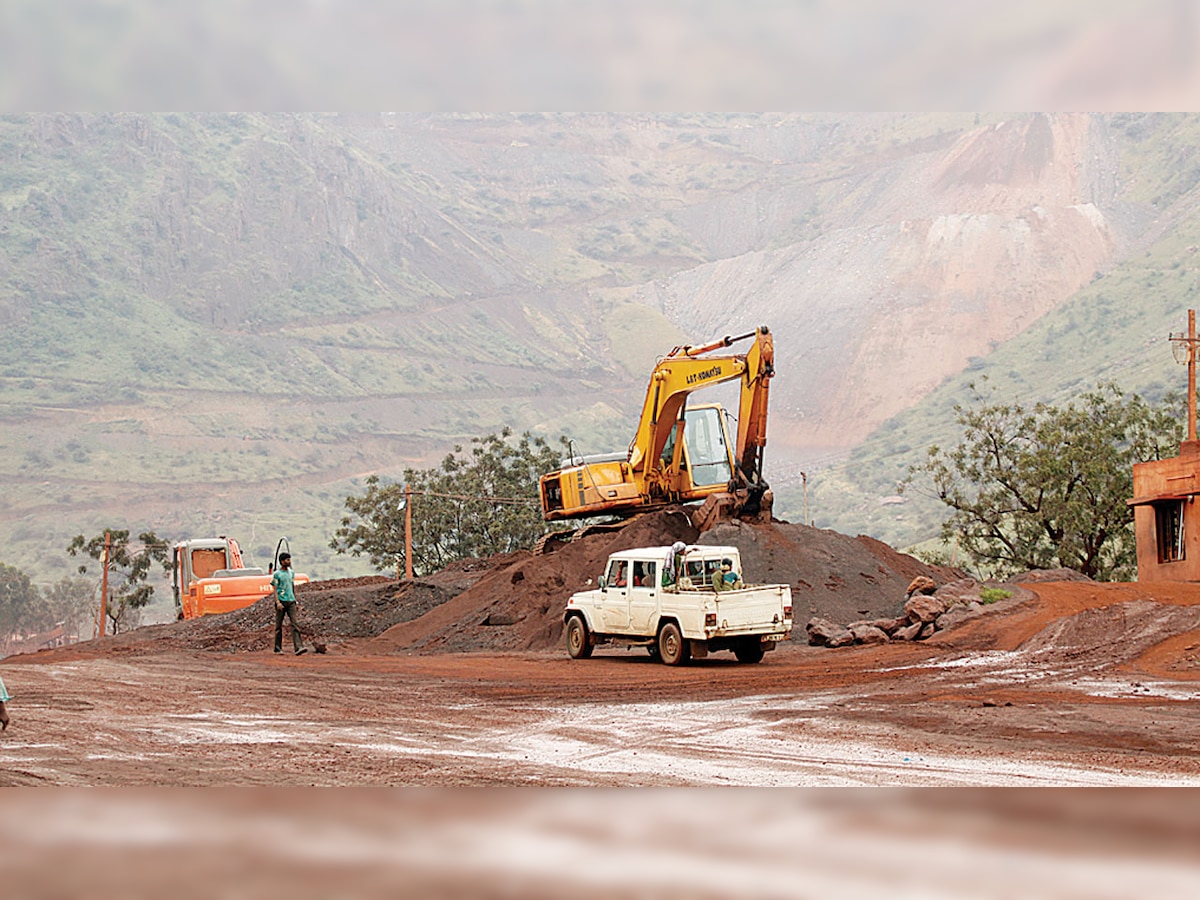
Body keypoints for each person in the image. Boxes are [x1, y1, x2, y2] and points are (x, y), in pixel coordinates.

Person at [271, 552, 307, 655]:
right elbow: (275, 589)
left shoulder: (291, 573)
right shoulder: (277, 574)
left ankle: (298, 647)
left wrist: (295, 599)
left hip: (291, 601)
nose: (289, 561)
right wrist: (277, 602)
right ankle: (277, 648)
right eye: (287, 560)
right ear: (282, 562)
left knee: (295, 624)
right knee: (278, 626)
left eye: (289, 559)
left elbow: (291, 586)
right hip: (281, 601)